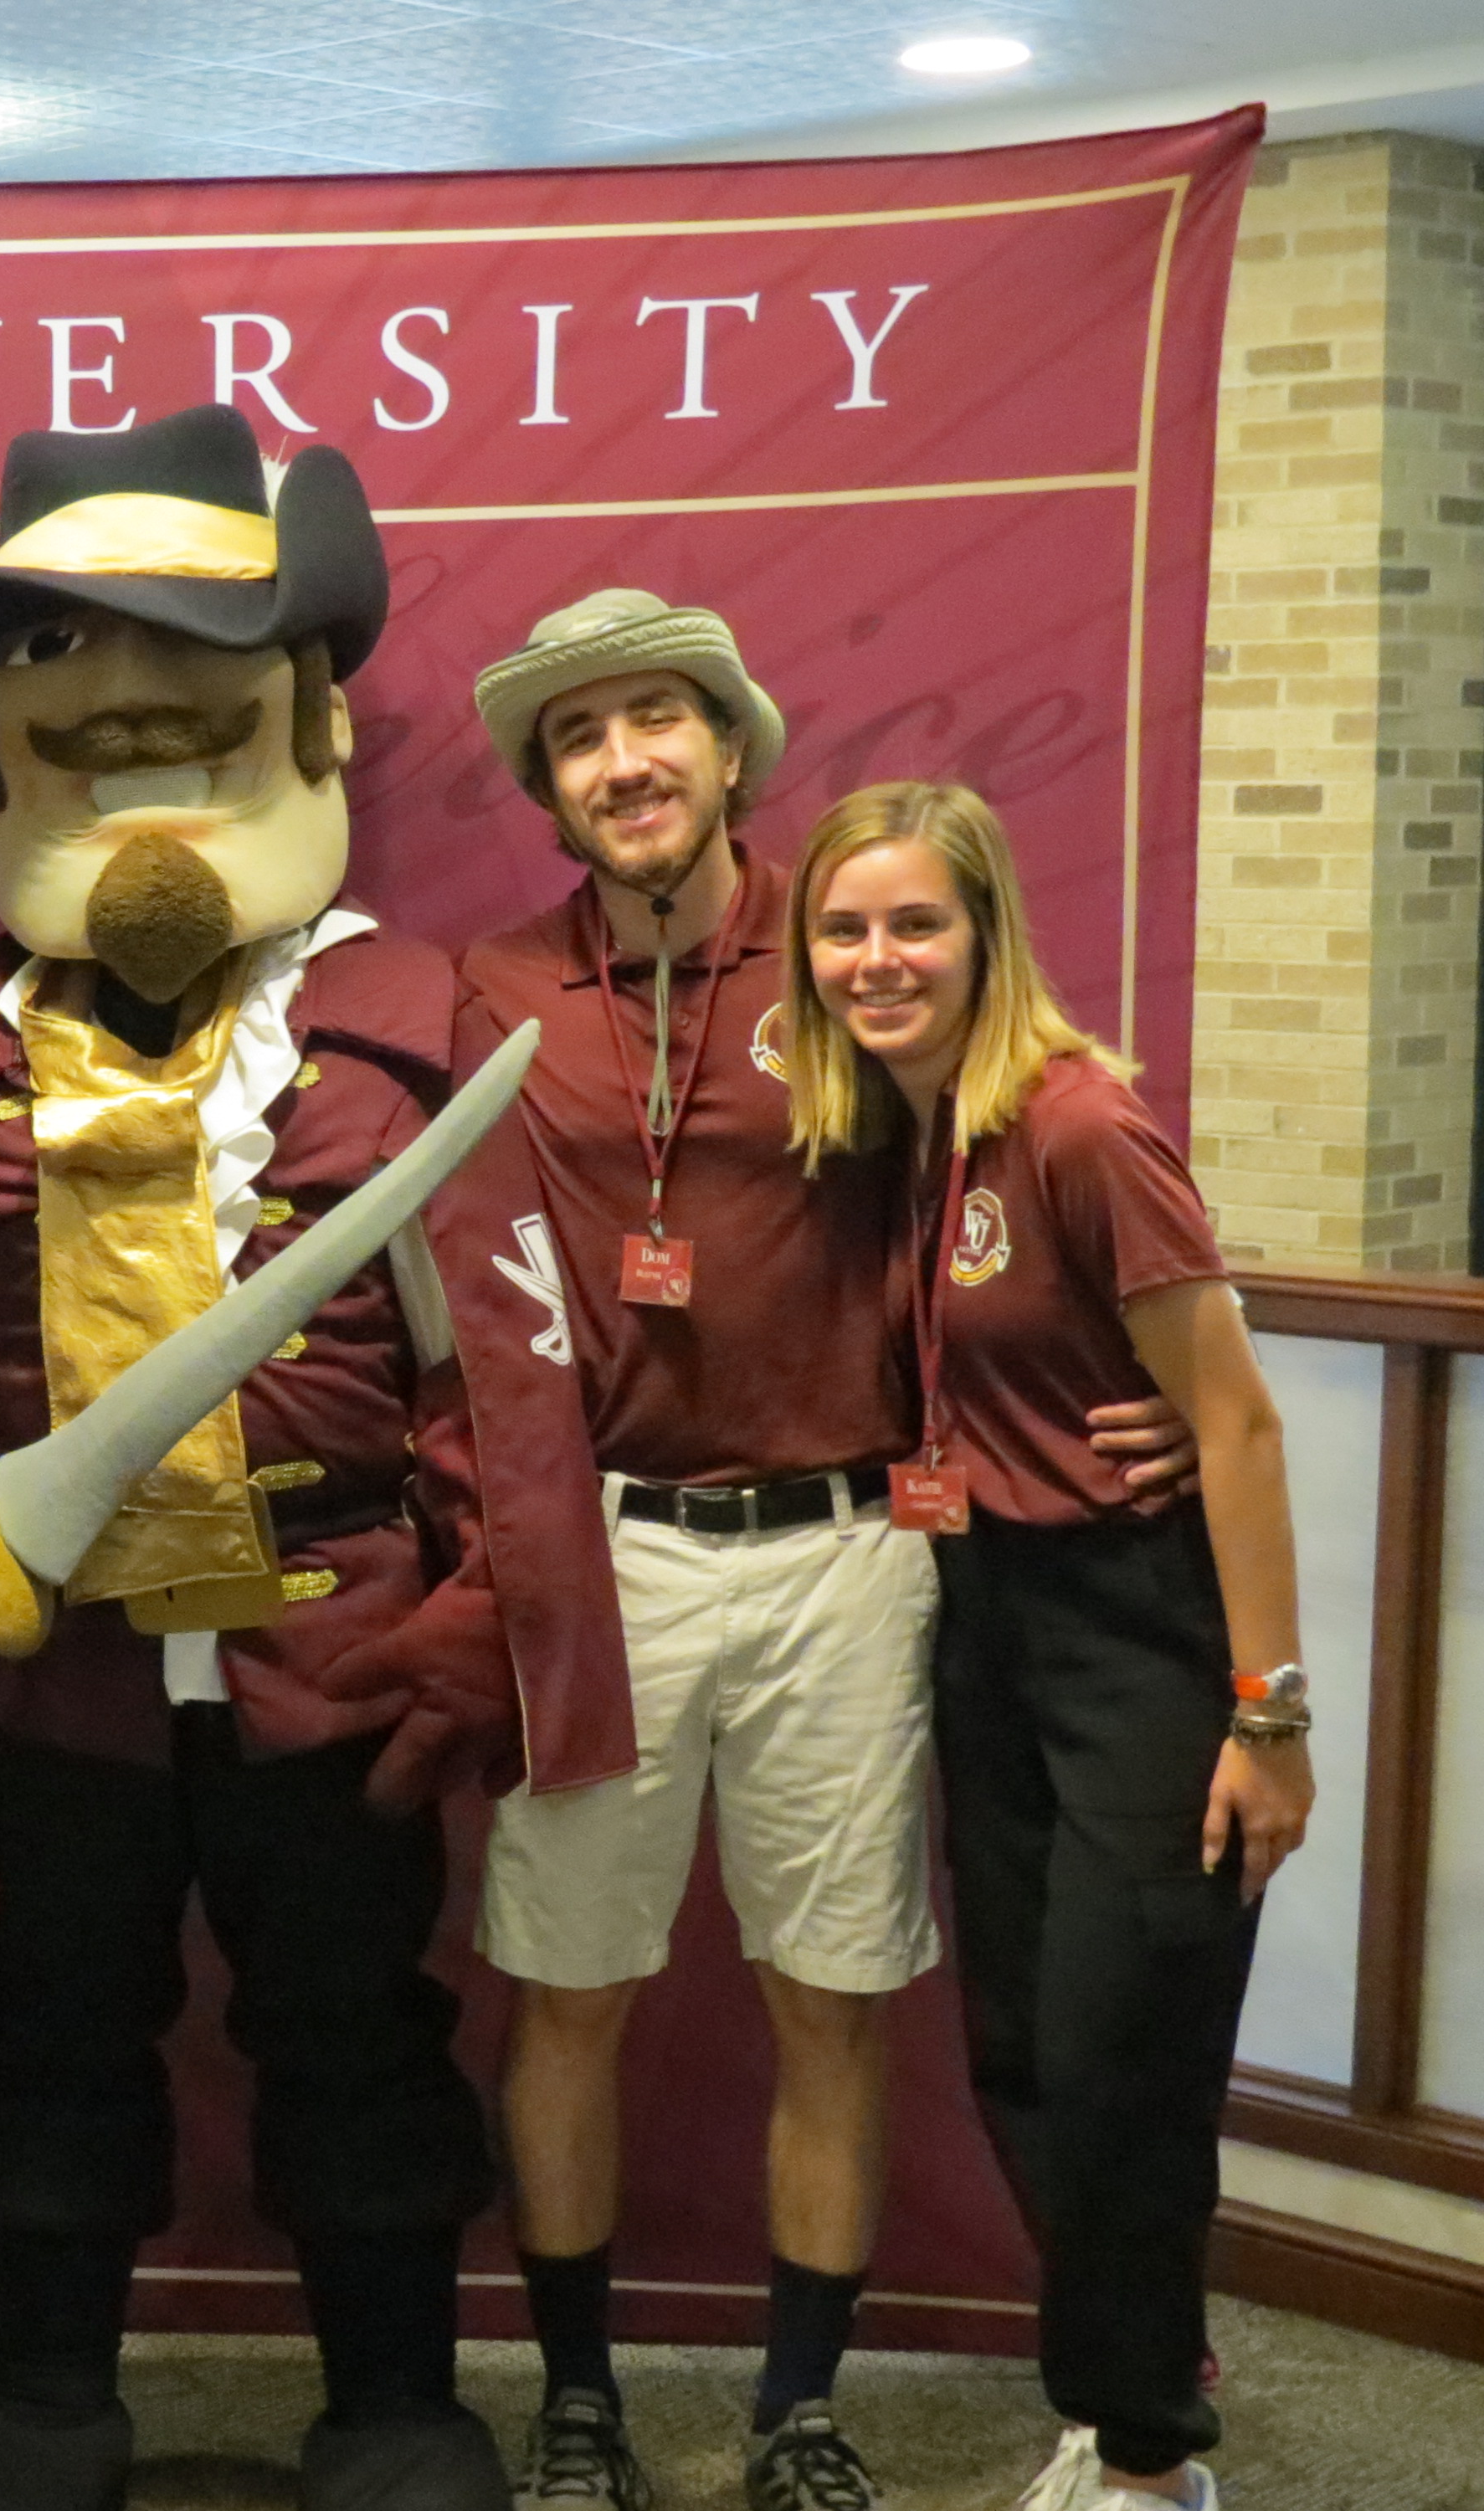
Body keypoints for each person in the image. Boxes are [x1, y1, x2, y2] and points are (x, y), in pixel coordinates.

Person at [0, 406, 632, 2511]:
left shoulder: (418, 1042)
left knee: (356, 2021)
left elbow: (503, 1379)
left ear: (309, 726)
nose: (133, 761)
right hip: (55, 1660)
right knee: (48, 2016)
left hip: (332, 1644)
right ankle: (48, 2401)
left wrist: (476, 1621)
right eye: (73, 720)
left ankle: (388, 2405)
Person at [456, 593, 1193, 2511]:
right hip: (598, 1553)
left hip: (849, 1548)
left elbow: (1053, 1138)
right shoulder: (491, 989)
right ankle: (577, 2408)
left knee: (831, 1989)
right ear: (545, 786)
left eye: (653, 723)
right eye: (578, 736)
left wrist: (1182, 1379)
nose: (621, 761)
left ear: (724, 748)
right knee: (570, 1987)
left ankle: (795, 2406)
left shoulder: (860, 945)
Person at [783, 780, 1309, 2511]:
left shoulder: (1079, 1126)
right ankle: (1114, 2393)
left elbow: (1227, 1425)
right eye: (843, 928)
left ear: (986, 932)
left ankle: (1155, 2462)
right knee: (1017, 2048)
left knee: (1116, 2058)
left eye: (911, 922)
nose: (876, 959)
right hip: (984, 1623)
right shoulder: (908, 1131)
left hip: (1139, 1640)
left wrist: (1266, 1713)